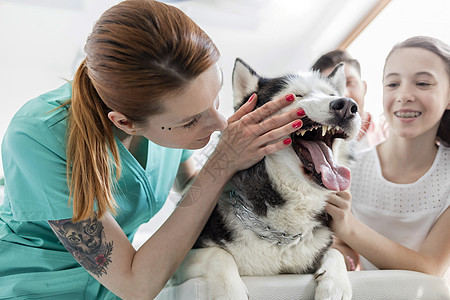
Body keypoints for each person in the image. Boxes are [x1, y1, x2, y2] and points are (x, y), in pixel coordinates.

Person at [0, 1, 305, 299]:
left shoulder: (169, 117)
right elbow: (136, 286)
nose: (220, 123)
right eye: (192, 120)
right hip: (35, 286)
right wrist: (222, 162)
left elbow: (192, 187)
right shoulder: (37, 137)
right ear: (126, 123)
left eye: (214, 99)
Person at [326, 36, 450, 277]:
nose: (404, 95)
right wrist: (341, 257)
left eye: (423, 83)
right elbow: (344, 247)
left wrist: (349, 228)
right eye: (393, 84)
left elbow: (430, 269)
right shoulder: (351, 168)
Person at [311, 50, 387, 150]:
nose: (344, 94)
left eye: (349, 82)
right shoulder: (314, 145)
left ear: (364, 87)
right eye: (332, 87)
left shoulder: (391, 131)